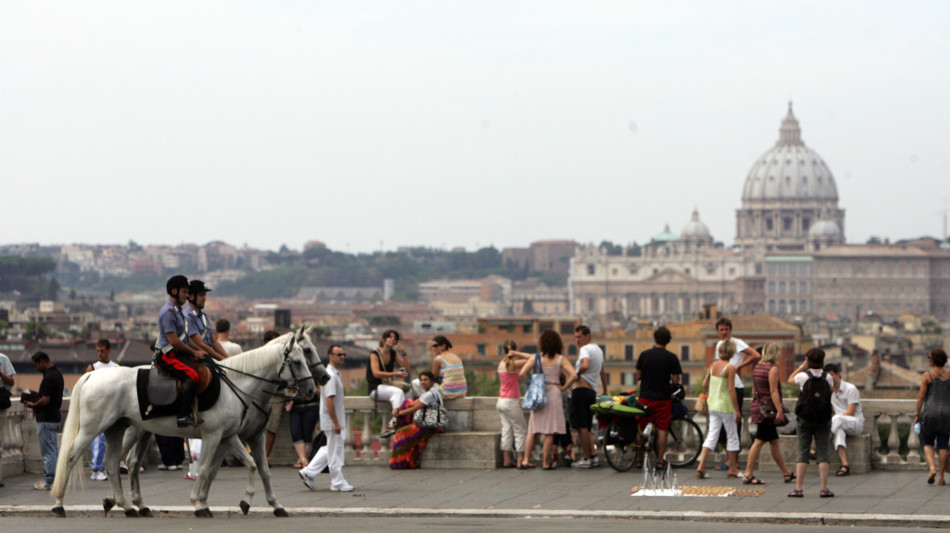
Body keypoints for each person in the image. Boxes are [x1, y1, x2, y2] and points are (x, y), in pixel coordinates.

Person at [517, 329, 577, 470]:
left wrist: (530, 384)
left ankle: (525, 460)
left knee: (533, 429)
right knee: (550, 431)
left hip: (538, 393)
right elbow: (574, 375)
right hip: (554, 393)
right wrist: (563, 387)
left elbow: (522, 373)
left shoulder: (536, 358)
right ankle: (546, 462)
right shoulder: (560, 359)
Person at [299, 344, 353, 491]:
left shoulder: (333, 374)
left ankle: (308, 472)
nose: (342, 357)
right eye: (339, 354)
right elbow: (329, 400)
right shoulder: (330, 375)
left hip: (333, 419)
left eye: (343, 354)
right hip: (333, 420)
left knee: (329, 448)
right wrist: (335, 422)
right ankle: (337, 482)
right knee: (335, 451)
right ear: (330, 356)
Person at [155, 275, 207, 427]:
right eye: (184, 292)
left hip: (177, 353)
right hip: (167, 355)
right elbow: (174, 341)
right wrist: (194, 352)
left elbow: (184, 339)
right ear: (174, 291)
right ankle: (182, 415)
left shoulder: (177, 310)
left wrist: (199, 352)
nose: (186, 295)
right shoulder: (168, 312)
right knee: (193, 376)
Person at [742, 343, 794, 485]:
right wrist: (779, 410)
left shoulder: (757, 368)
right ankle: (748, 474)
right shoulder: (772, 369)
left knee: (774, 441)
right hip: (768, 411)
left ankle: (786, 473)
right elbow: (773, 391)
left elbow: (754, 391)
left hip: (758, 408)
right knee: (759, 441)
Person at [787, 347, 835, 498]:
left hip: (805, 418)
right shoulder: (828, 378)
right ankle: (824, 488)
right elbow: (830, 392)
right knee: (823, 452)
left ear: (808, 360)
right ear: (822, 361)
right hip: (823, 418)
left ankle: (798, 488)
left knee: (803, 452)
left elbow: (789, 380)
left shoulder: (803, 376)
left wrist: (802, 365)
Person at [634, 326, 682, 471]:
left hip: (645, 398)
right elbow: (675, 380)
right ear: (668, 341)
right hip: (663, 399)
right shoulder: (672, 358)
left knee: (640, 429)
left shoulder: (644, 355)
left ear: (655, 339)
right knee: (662, 429)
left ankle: (639, 459)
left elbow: (637, 376)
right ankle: (660, 461)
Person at [713, 317, 761, 463]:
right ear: (718, 331)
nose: (724, 332)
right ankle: (731, 459)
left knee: (734, 423)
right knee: (720, 427)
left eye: (726, 329)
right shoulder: (719, 344)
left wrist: (740, 366)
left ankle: (732, 461)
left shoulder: (737, 342)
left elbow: (756, 355)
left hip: (735, 386)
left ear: (730, 330)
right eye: (721, 329)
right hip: (722, 387)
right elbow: (718, 363)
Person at [696, 341, 741, 479]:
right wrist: (737, 410)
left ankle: (701, 465)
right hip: (726, 406)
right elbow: (732, 390)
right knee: (732, 436)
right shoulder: (730, 368)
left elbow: (704, 384)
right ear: (732, 352)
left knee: (712, 435)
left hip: (713, 405)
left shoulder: (713, 365)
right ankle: (733, 469)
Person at [23, 352, 63, 490]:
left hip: (46, 419)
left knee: (48, 451)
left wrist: (32, 404)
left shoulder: (48, 378)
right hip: (55, 418)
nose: (36, 368)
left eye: (36, 365)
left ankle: (49, 480)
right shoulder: (57, 374)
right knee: (54, 450)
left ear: (41, 361)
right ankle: (55, 478)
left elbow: (45, 400)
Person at [570, 325, 607, 469]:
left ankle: (586, 458)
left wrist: (576, 375)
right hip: (591, 391)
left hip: (581, 390)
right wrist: (604, 390)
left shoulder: (585, 350)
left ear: (587, 336)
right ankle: (593, 455)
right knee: (588, 426)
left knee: (581, 426)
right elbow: (602, 371)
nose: (577, 340)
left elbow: (585, 365)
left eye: (579, 337)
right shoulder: (598, 350)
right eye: (576, 337)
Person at [389, 371, 444, 469]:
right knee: (406, 402)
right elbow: (413, 403)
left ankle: (400, 462)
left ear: (431, 382)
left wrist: (399, 413)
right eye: (421, 380)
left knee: (400, 433)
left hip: (428, 426)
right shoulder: (432, 392)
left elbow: (414, 408)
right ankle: (404, 461)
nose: (423, 382)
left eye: (426, 380)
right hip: (430, 424)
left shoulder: (430, 394)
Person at [915, 348, 950, 485]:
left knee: (927, 442)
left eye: (929, 357)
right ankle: (941, 476)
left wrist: (917, 414)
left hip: (930, 413)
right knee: (943, 444)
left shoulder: (927, 376)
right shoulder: (949, 376)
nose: (928, 359)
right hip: (947, 414)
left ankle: (932, 468)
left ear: (934, 359)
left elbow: (921, 396)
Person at [85, 339, 118, 481]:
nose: (99, 354)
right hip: (98, 408)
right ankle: (97, 468)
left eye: (102, 351)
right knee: (99, 439)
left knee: (111, 439)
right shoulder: (93, 367)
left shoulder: (116, 367)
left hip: (112, 408)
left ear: (108, 350)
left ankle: (106, 467)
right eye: (97, 351)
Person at [825, 363, 864, 477]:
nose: (830, 378)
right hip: (839, 424)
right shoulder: (830, 393)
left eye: (832, 375)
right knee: (839, 432)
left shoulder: (850, 389)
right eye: (828, 376)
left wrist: (836, 419)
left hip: (855, 422)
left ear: (838, 375)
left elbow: (851, 412)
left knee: (837, 419)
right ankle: (845, 465)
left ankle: (823, 442)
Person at [369, 330, 410, 438]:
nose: (392, 339)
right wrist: (396, 373)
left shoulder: (393, 353)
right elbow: (376, 373)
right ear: (384, 339)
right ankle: (394, 421)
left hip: (387, 386)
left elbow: (407, 368)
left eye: (395, 338)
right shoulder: (375, 354)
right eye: (390, 337)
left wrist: (404, 353)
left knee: (409, 390)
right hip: (375, 388)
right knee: (398, 392)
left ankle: (404, 418)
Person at [497, 340, 530, 468]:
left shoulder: (501, 364)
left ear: (503, 350)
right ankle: (520, 460)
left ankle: (506, 459)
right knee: (520, 429)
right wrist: (518, 353)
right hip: (511, 401)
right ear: (514, 350)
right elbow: (533, 358)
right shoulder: (515, 364)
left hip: (501, 401)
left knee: (506, 429)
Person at [183, 280, 230, 362]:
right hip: (198, 360)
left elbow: (214, 342)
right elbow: (200, 344)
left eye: (204, 295)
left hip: (208, 358)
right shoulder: (189, 317)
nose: (204, 298)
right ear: (191, 297)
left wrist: (229, 359)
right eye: (201, 295)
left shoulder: (203, 317)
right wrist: (222, 359)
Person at [262, 329, 290, 461]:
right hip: (263, 395)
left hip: (276, 395)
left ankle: (265, 456)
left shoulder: (283, 358)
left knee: (272, 427)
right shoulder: (259, 357)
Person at [412, 335, 467, 400]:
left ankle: (421, 400)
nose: (433, 348)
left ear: (443, 346)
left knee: (415, 382)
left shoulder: (438, 359)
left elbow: (433, 378)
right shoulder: (457, 357)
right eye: (432, 346)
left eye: (435, 346)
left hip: (447, 393)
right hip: (462, 392)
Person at [0, 349, 15, 489]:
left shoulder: (3, 359)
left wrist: (0, 373)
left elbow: (11, 381)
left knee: (0, 442)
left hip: (0, 403)